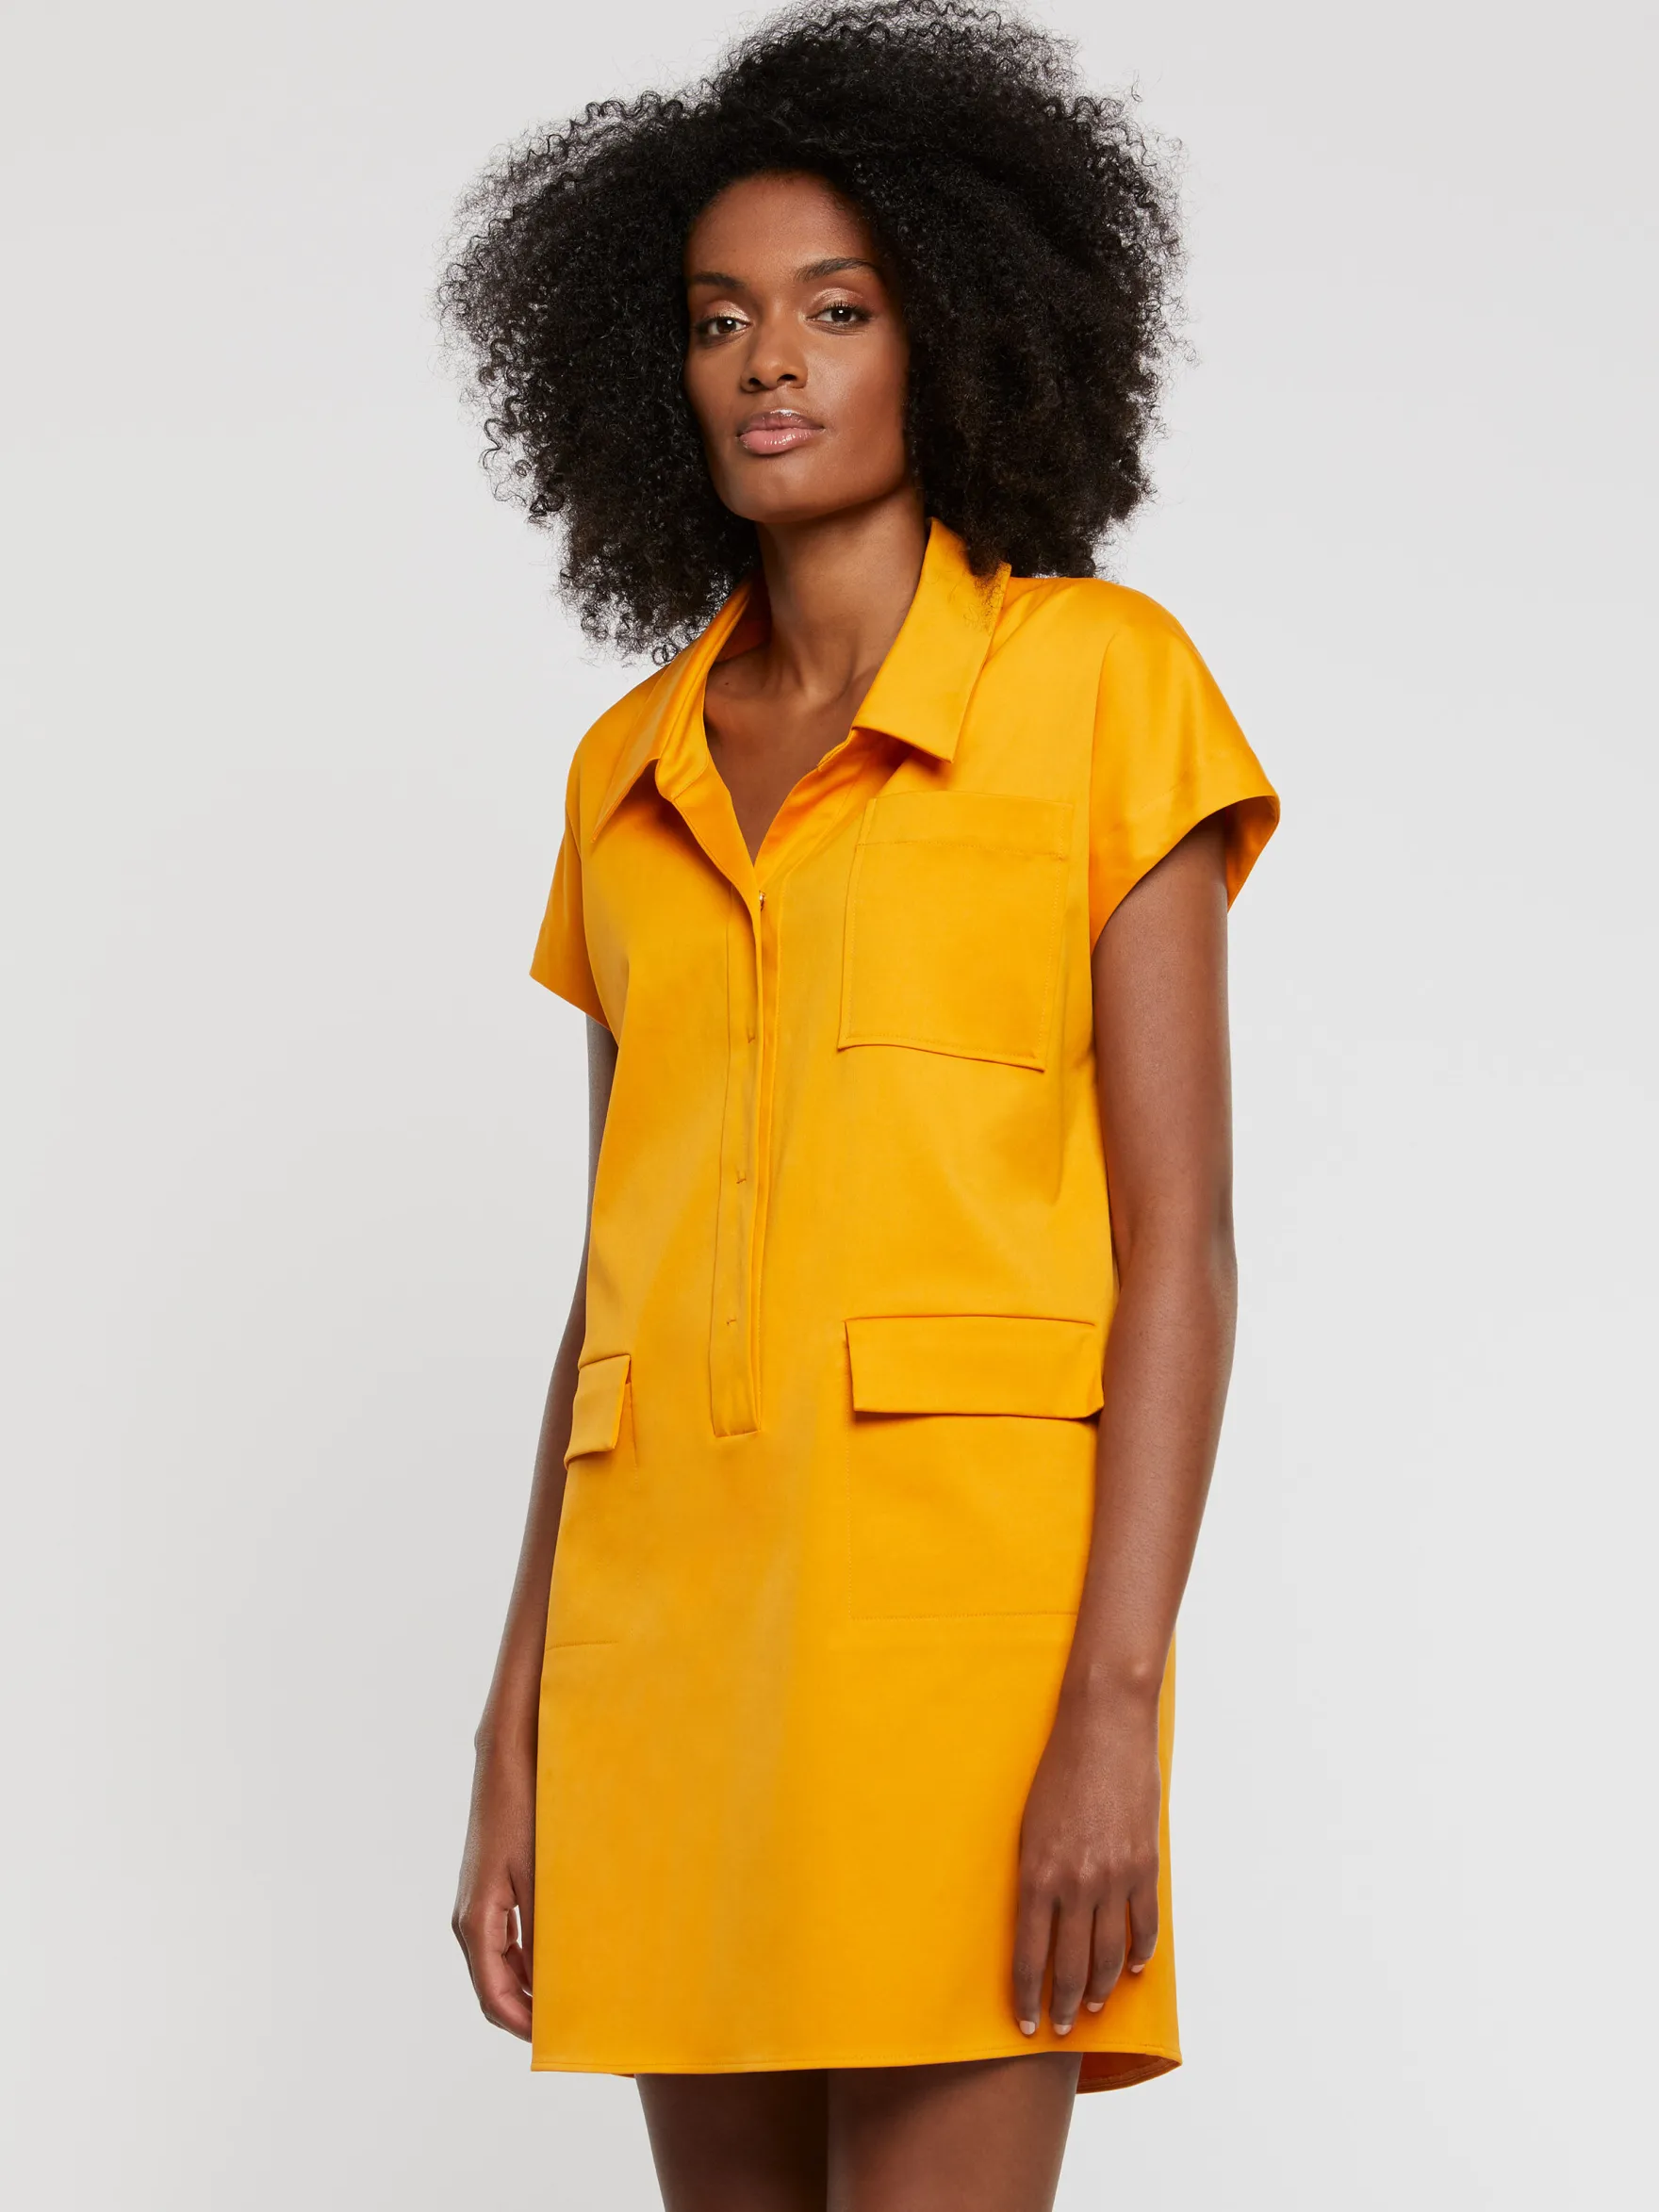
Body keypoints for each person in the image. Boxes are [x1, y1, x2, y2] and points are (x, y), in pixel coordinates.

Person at [441, 5, 1277, 2204]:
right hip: (663, 1667)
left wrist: (1110, 1716)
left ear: (953, 331)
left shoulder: (1101, 688)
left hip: (966, 1678)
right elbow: (610, 1281)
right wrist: (514, 1724)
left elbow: (1180, 1250)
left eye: (836, 307)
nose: (768, 364)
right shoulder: (622, 775)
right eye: (718, 317)